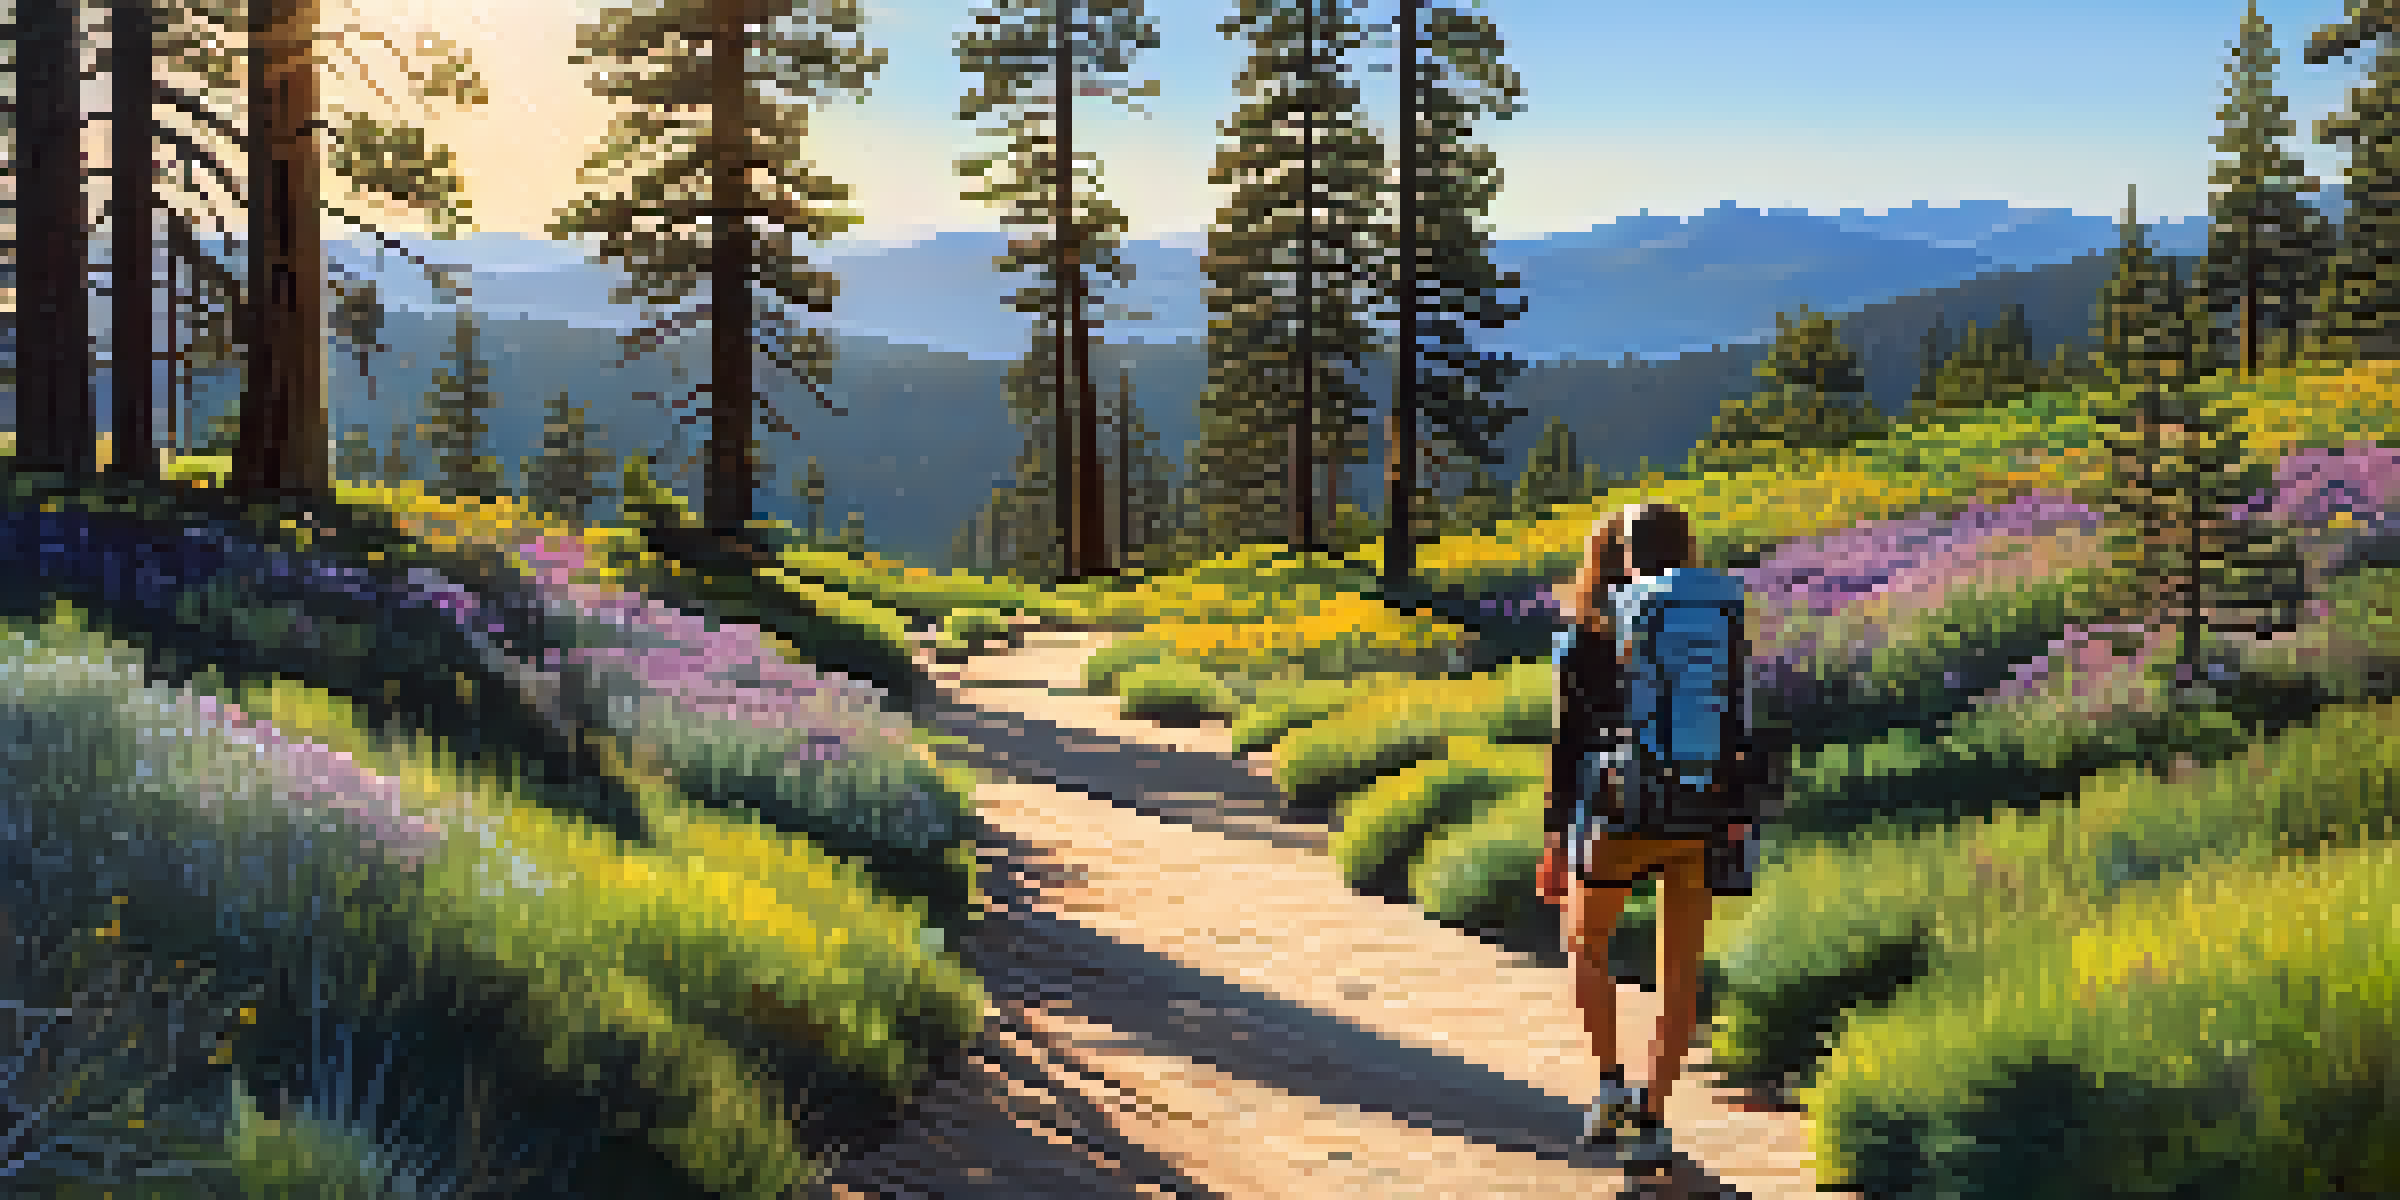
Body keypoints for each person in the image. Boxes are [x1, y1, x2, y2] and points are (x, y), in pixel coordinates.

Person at [1536, 500, 1752, 1170]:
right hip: (1699, 810)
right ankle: (1654, 1119)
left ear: (1619, 558)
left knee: (1586, 942)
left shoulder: (1585, 637)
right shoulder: (1713, 618)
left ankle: (1610, 1088)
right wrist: (1736, 808)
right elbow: (1737, 715)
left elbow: (1567, 746)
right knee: (1679, 973)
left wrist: (1554, 837)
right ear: (1686, 552)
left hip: (1618, 814)